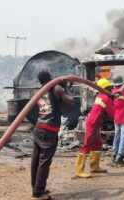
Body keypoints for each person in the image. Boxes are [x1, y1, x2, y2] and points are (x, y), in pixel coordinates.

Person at [31, 71, 75, 200]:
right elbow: (71, 102)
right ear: (50, 78)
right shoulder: (57, 89)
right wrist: (66, 87)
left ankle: (36, 187)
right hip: (49, 130)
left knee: (36, 160)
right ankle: (38, 192)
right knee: (44, 161)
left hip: (38, 127)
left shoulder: (39, 90)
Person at [75, 78, 124, 178]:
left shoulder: (101, 95)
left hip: (95, 123)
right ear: (106, 88)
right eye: (109, 87)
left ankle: (95, 167)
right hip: (93, 123)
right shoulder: (106, 98)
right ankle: (79, 170)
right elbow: (112, 114)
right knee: (87, 145)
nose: (111, 88)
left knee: (98, 144)